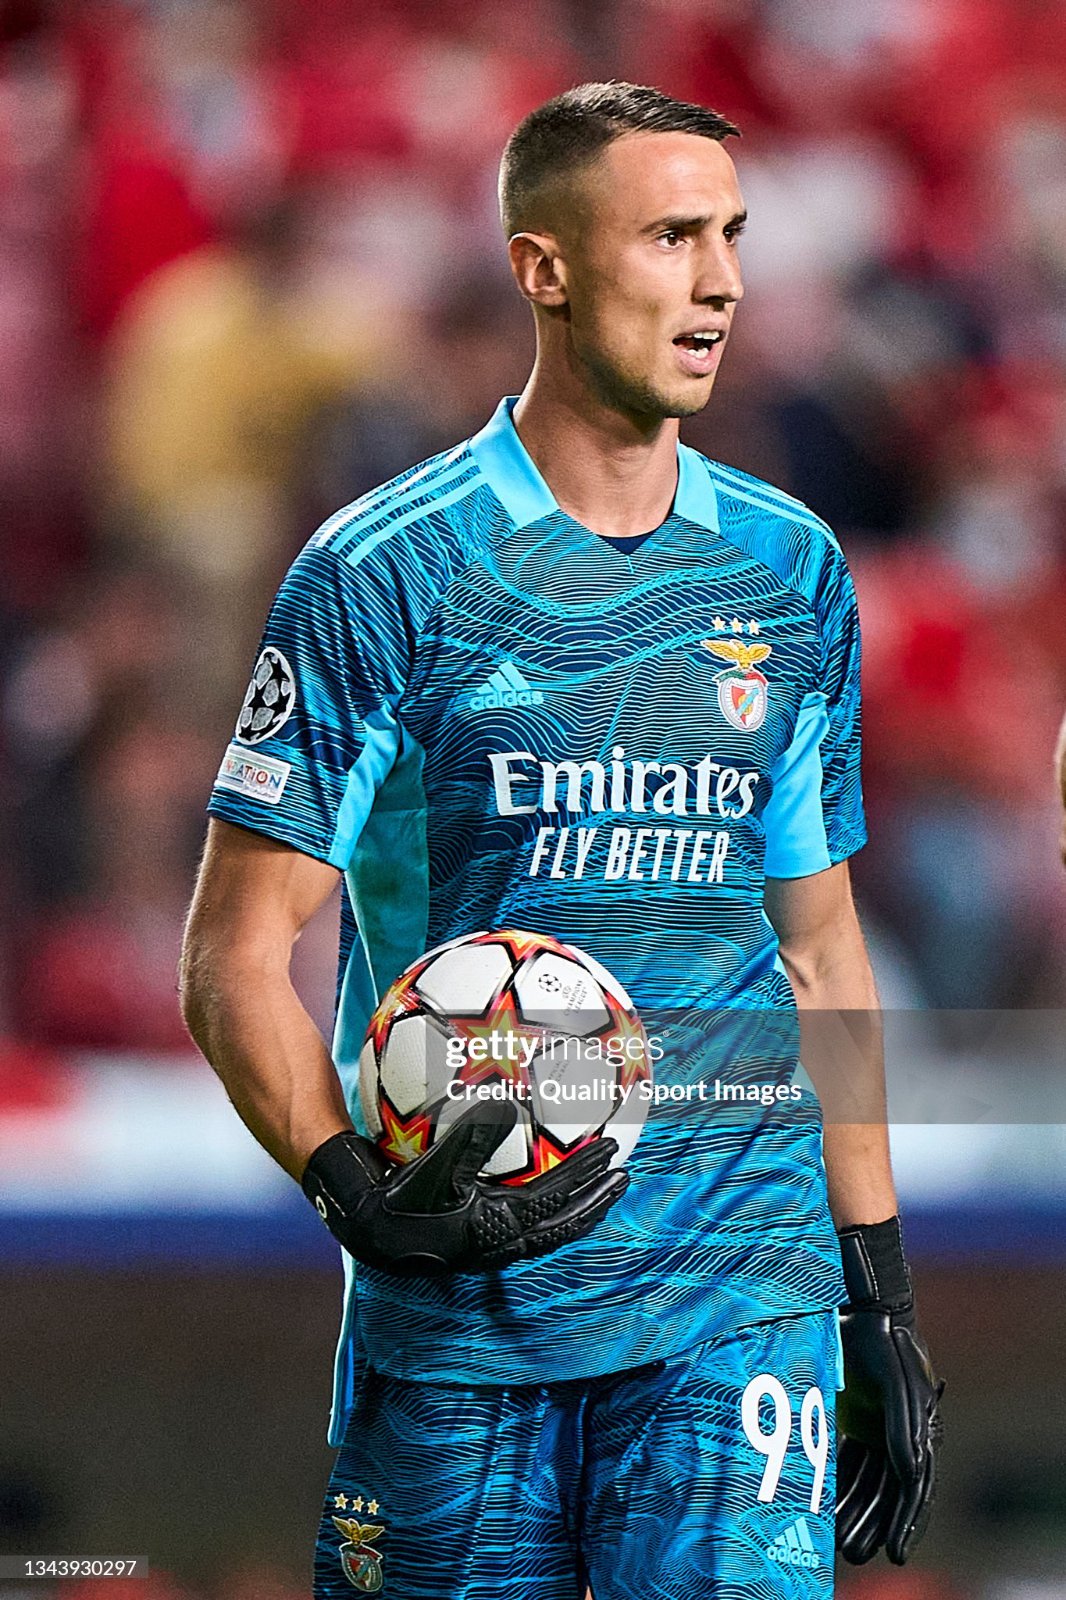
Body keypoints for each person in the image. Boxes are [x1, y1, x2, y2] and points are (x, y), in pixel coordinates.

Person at [181, 82, 942, 1599]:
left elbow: (818, 945)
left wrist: (873, 1280)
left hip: (740, 1287)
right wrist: (351, 1188)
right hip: (472, 1304)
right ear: (544, 269)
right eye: (669, 235)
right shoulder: (384, 574)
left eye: (730, 234)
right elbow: (234, 954)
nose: (718, 277)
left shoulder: (789, 568)